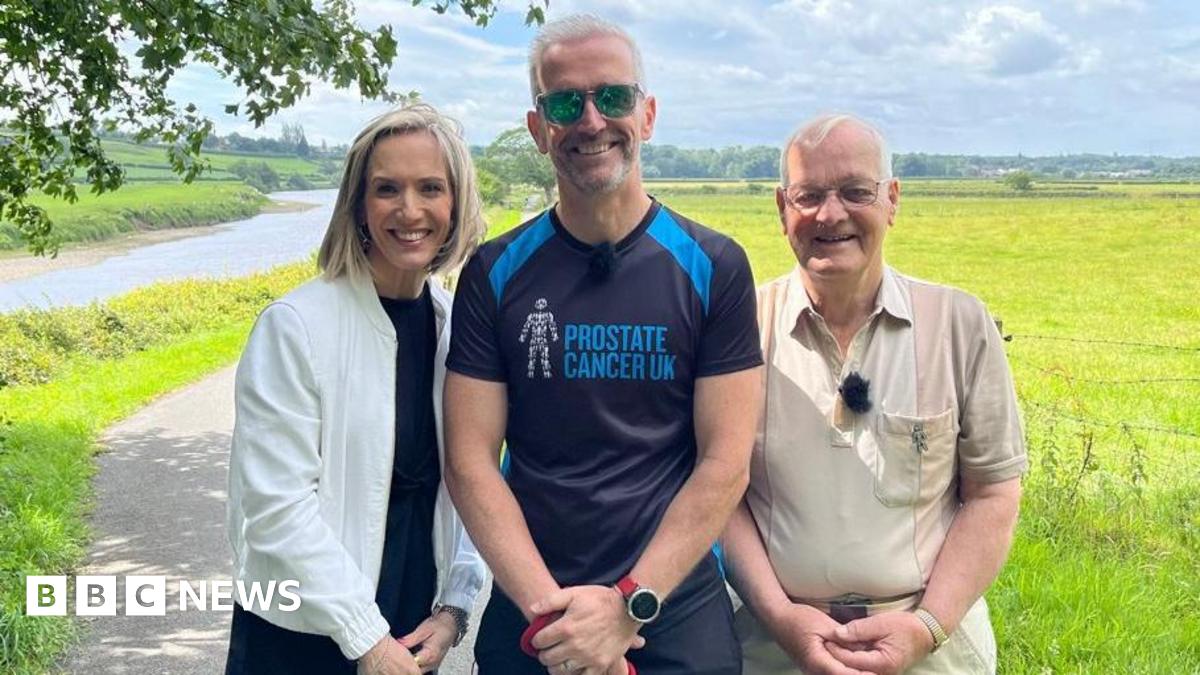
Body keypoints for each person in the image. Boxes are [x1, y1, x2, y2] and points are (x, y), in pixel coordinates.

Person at [443, 13, 763, 675]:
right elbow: (471, 460)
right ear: (539, 129)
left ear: (647, 115)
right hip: (534, 610)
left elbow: (725, 463)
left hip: (671, 609)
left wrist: (627, 607)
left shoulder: (714, 266)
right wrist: (557, 624)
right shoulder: (494, 271)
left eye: (613, 97)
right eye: (564, 103)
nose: (591, 121)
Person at [722, 114, 1026, 675]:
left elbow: (993, 494)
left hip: (934, 649)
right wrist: (781, 617)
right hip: (771, 647)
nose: (830, 213)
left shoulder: (958, 324)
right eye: (809, 195)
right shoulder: (739, 329)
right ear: (782, 209)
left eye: (855, 191)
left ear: (892, 200)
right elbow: (721, 491)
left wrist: (928, 626)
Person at [225, 104, 487, 675]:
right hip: (303, 632)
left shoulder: (455, 327)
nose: (410, 210)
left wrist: (455, 606)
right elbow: (275, 508)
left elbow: (472, 480)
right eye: (387, 188)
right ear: (359, 205)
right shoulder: (295, 326)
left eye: (431, 188)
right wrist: (366, 637)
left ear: (456, 202)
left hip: (413, 622)